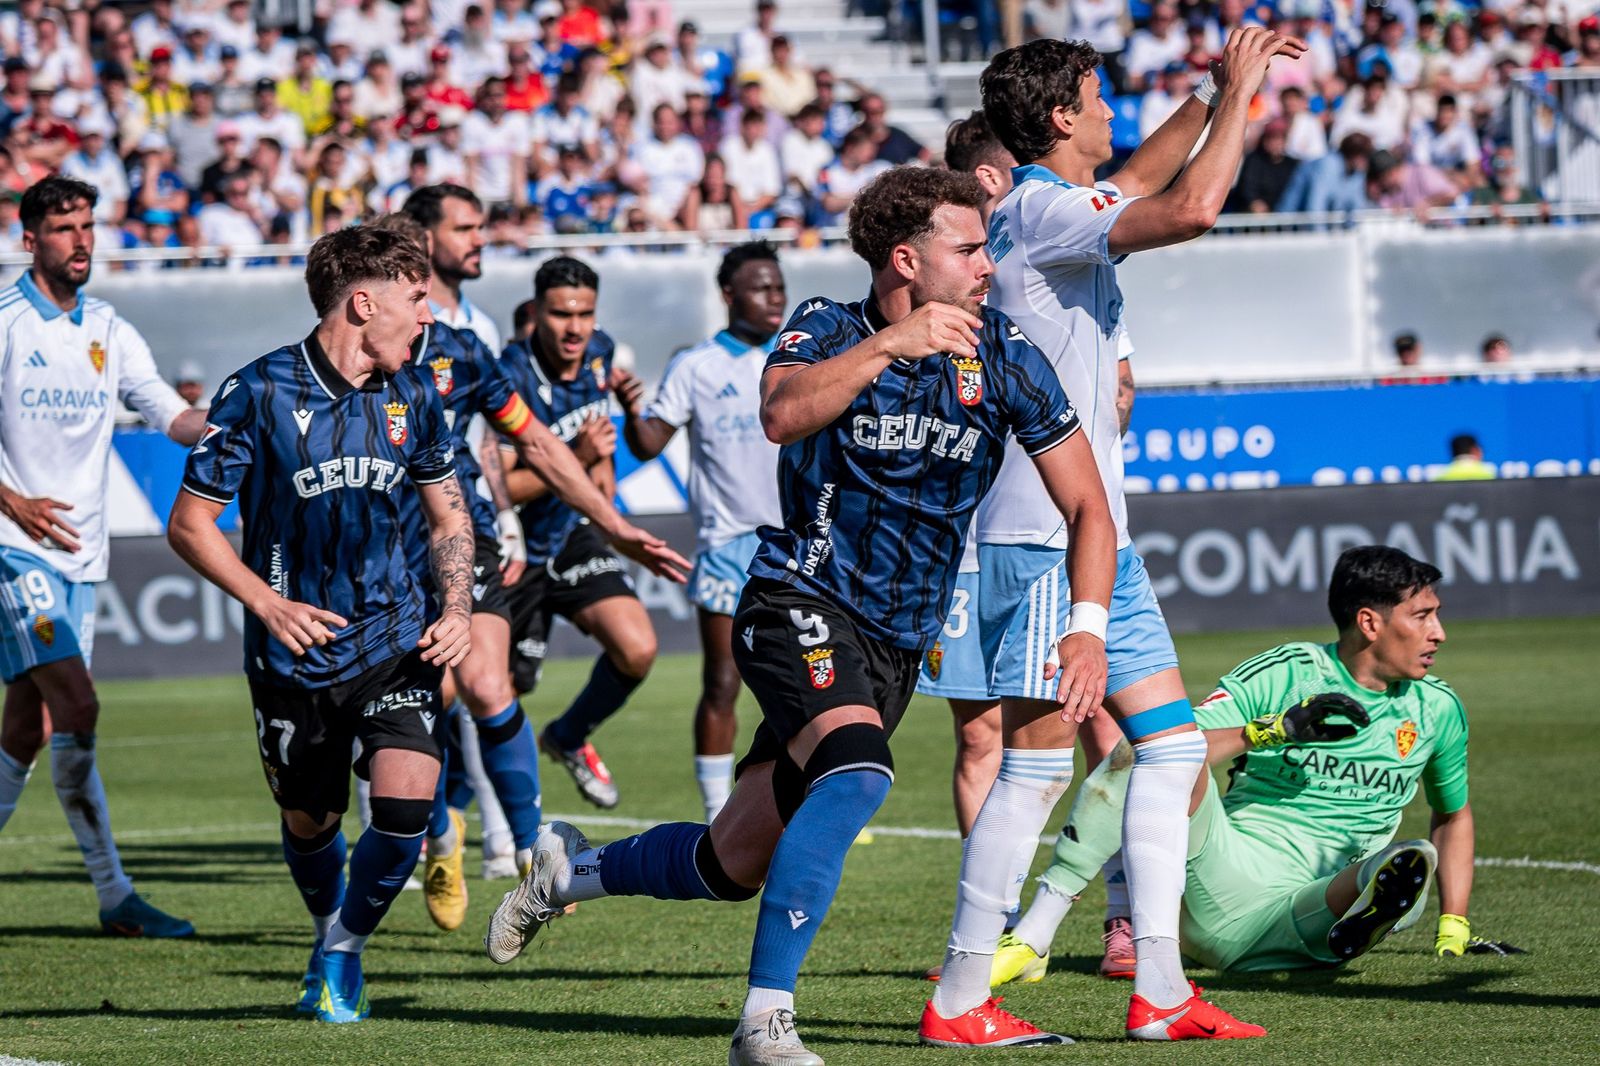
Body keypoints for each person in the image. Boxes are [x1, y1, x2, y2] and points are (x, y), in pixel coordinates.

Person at [483, 165, 1116, 1066]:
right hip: (797, 600)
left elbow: (1088, 505)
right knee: (858, 774)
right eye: (969, 247)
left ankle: (569, 872)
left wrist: (1085, 623)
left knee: (730, 863)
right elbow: (782, 413)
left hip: (898, 641)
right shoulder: (827, 324)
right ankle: (765, 1022)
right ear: (907, 258)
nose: (987, 263)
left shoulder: (1007, 354)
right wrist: (894, 345)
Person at [926, 30, 1305, 1047]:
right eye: (1099, 98)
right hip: (1049, 531)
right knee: (1036, 766)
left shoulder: (1038, 204)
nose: (1110, 112)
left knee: (1172, 747)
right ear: (1059, 119)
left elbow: (1138, 175)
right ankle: (959, 997)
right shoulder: (1045, 209)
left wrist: (1211, 90)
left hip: (1094, 534)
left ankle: (1163, 993)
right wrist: (1241, 101)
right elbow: (1186, 204)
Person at [166, 226, 469, 1023]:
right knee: (311, 819)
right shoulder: (258, 391)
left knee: (406, 804)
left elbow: (448, 517)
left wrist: (460, 609)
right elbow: (191, 525)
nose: (427, 314)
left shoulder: (414, 394)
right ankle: (323, 928)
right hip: (293, 657)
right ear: (362, 304)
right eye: (415, 299)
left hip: (396, 638)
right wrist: (266, 603)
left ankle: (343, 949)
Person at [993, 546, 1522, 980]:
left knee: (1409, 857)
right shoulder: (1289, 671)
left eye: (1437, 616)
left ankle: (1368, 907)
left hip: (1313, 901)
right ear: (1370, 623)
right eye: (1423, 616)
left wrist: (1453, 924)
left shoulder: (1439, 709)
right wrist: (1273, 730)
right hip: (1219, 874)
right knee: (1147, 749)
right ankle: (1035, 935)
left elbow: (1454, 814)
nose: (1439, 633)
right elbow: (1175, 746)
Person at [368, 214, 688, 930]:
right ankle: (442, 835)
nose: (428, 309)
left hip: (470, 534)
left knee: (488, 681)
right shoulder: (340, 366)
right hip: (382, 551)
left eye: (430, 295)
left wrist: (616, 523)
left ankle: (534, 853)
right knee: (432, 699)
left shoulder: (465, 353)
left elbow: (532, 443)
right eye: (416, 292)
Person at [0, 176, 206, 938]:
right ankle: (114, 887)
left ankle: (116, 901)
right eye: (63, 227)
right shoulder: (6, 322)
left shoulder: (110, 328)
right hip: (13, 550)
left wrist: (240, 418)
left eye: (88, 225)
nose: (81, 239)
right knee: (78, 705)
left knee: (25, 728)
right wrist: (13, 501)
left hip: (85, 555)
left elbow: (168, 412)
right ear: (30, 239)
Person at [612, 242, 787, 822]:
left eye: (778, 286)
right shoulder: (698, 366)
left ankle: (797, 803)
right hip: (727, 546)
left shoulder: (801, 357)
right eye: (760, 288)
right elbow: (649, 443)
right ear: (729, 295)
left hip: (796, 545)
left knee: (803, 685)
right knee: (721, 682)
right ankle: (718, 814)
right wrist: (631, 407)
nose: (774, 297)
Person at [492, 257, 660, 810]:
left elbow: (602, 438)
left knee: (637, 648)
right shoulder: (507, 376)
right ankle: (445, 814)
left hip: (572, 535)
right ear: (537, 313)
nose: (575, 328)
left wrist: (601, 485)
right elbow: (502, 489)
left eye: (585, 314)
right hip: (510, 549)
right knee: (493, 696)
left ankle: (567, 736)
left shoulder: (599, 353)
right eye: (562, 314)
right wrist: (576, 455)